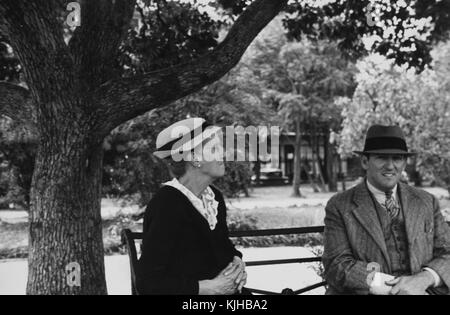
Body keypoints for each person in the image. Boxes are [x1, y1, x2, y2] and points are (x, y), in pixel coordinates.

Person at [323, 125, 450, 295]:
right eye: (381, 157)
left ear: (404, 162)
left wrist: (423, 280)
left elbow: (447, 253)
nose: (390, 166)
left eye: (397, 158)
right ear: (365, 162)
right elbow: (336, 265)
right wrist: (389, 287)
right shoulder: (340, 205)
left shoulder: (426, 201)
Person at [136, 117, 248, 295]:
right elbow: (148, 282)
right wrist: (208, 288)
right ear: (195, 159)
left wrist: (236, 261)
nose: (223, 154)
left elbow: (221, 247)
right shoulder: (167, 204)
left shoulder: (213, 197)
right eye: (214, 149)